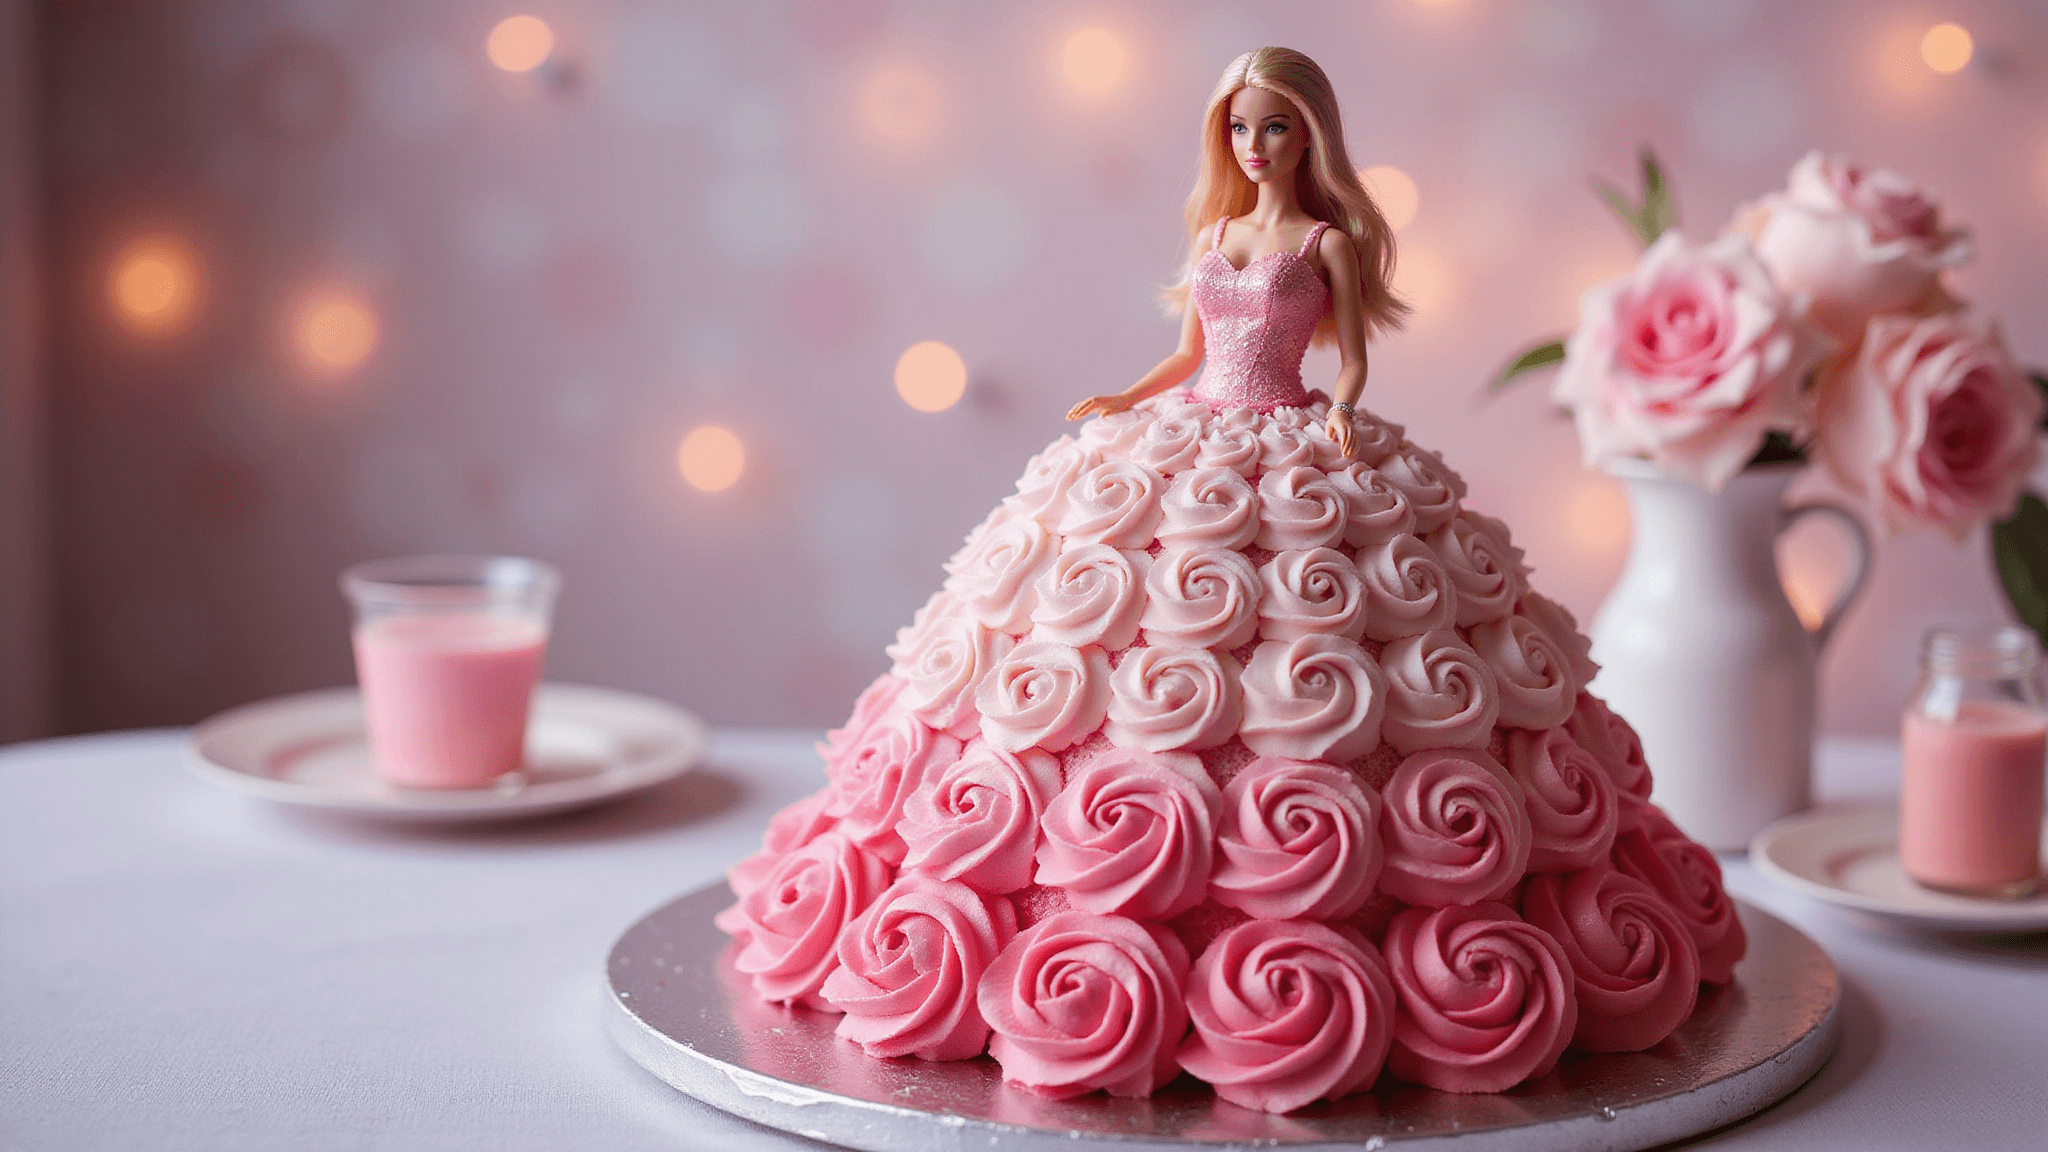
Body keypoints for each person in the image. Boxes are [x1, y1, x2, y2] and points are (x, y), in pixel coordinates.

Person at [1066, 46, 1408, 455]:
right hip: (1198, 418)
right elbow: (1187, 354)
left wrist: (1341, 410)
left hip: (1280, 428)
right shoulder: (1212, 235)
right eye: (1239, 128)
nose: (1253, 146)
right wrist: (1127, 397)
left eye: (1274, 128)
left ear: (1308, 135)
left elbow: (1354, 361)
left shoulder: (1327, 244)